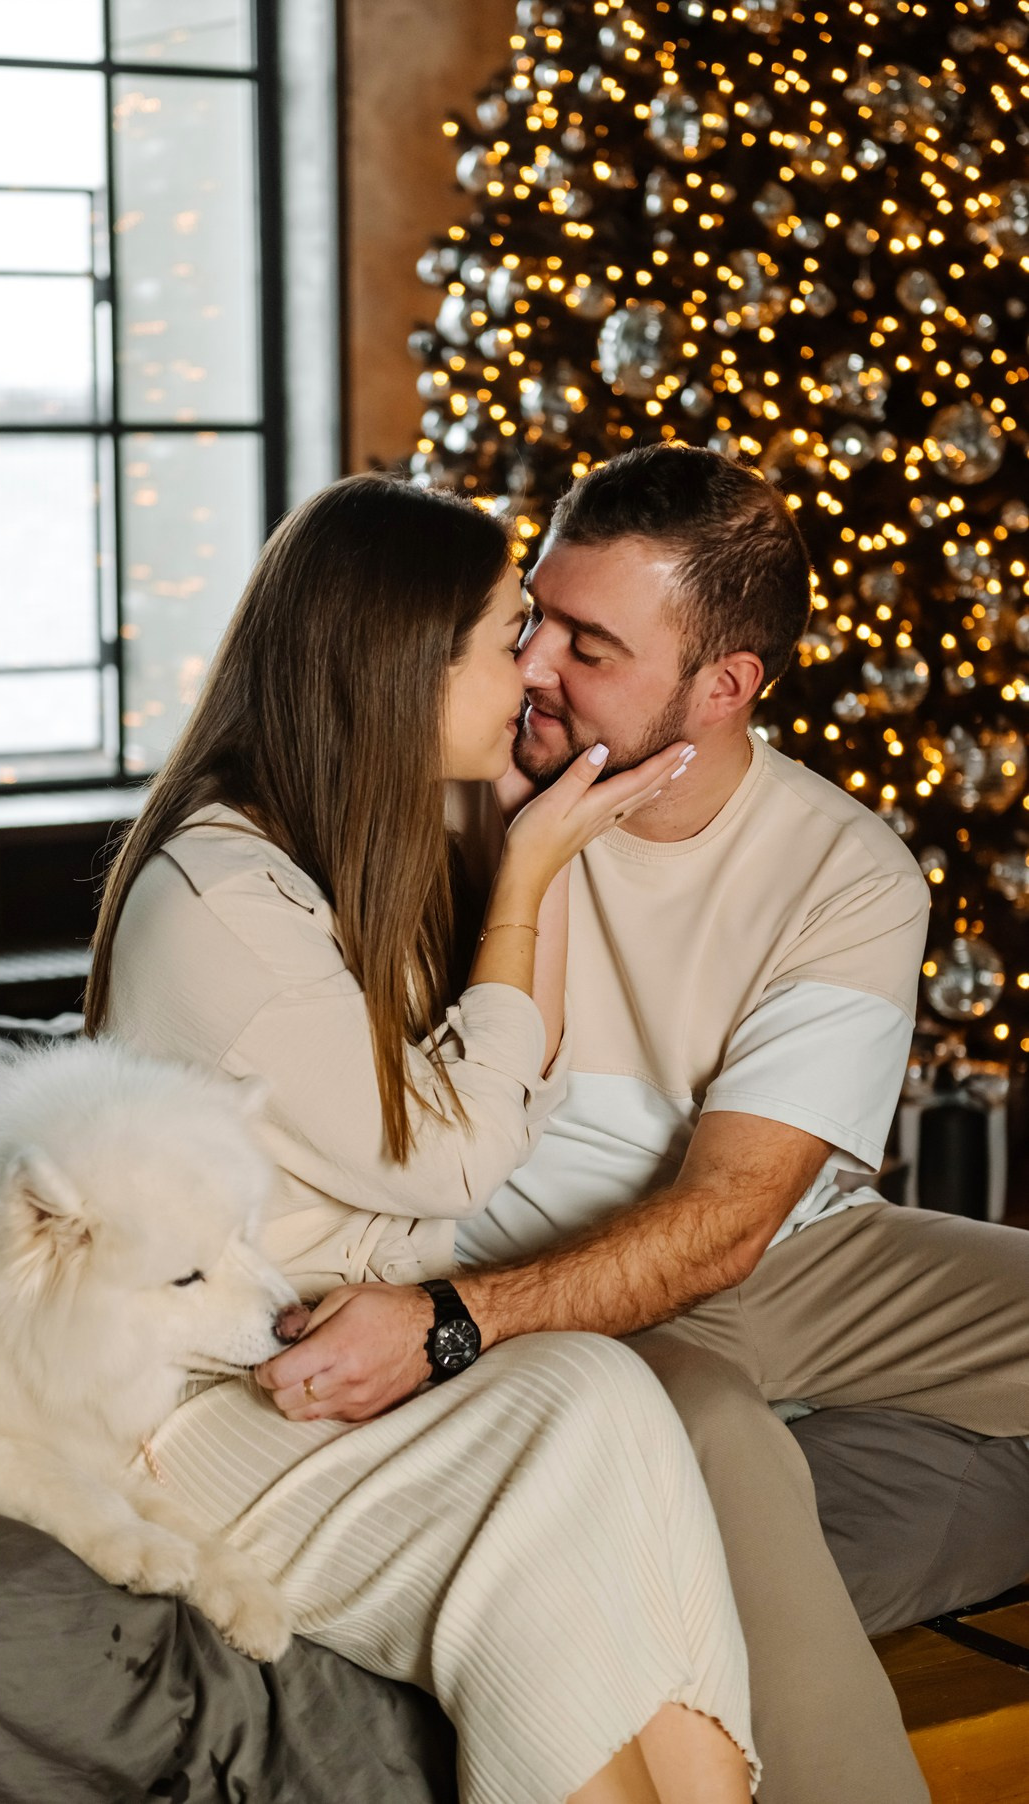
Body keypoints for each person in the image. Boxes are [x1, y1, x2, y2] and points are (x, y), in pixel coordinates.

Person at [260, 442, 1029, 1804]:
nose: (534, 664)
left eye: (590, 643)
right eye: (536, 617)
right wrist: (449, 1315)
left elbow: (735, 1216)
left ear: (724, 685)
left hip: (772, 1253)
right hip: (529, 1282)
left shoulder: (839, 866)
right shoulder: (444, 790)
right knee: (718, 1436)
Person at [85, 473, 758, 1804]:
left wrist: (537, 850)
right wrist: (528, 872)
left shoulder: (335, 847)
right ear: (399, 670)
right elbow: (450, 1158)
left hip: (310, 1357)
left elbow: (512, 1100)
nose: (535, 675)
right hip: (210, 1411)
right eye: (509, 637)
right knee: (570, 1463)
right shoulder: (223, 899)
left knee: (603, 1398)